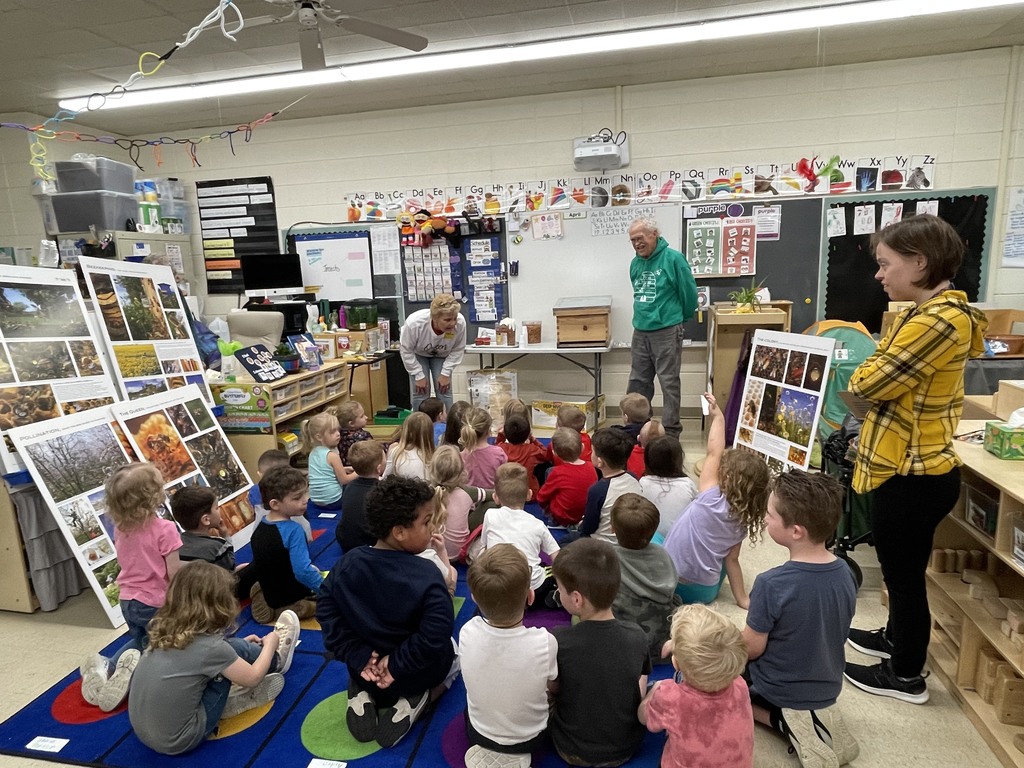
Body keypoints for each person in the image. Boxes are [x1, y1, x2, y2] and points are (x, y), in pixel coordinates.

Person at [843, 214, 988, 704]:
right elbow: (880, 371)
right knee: (899, 570)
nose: (879, 274)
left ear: (920, 262)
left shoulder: (937, 321)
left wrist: (872, 370)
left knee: (903, 578)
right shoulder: (923, 314)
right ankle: (895, 638)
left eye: (886, 264)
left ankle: (905, 675)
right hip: (907, 466)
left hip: (913, 473)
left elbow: (866, 381)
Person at [317, 476, 458, 748]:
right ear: (399, 532)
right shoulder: (427, 573)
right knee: (455, 654)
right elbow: (437, 633)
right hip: (415, 675)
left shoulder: (348, 563)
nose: (431, 528)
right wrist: (396, 663)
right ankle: (418, 698)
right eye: (426, 522)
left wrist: (354, 652)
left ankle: (362, 691)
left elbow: (326, 607)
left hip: (365, 670)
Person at [743, 470, 859, 767]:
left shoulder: (771, 584)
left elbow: (752, 649)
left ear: (796, 531)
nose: (765, 519)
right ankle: (818, 715)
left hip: (777, 688)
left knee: (712, 679)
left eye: (769, 514)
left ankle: (781, 720)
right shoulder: (846, 574)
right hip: (828, 684)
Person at [127, 562, 300, 755]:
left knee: (228, 650)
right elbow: (253, 677)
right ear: (219, 605)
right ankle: (277, 660)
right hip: (182, 738)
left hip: (144, 732)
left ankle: (248, 662)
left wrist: (230, 651)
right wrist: (270, 644)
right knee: (227, 659)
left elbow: (195, 657)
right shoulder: (211, 648)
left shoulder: (162, 632)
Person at [80, 463, 182, 712]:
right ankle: (139, 683)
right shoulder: (165, 529)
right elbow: (175, 573)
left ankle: (108, 667)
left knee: (140, 640)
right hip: (155, 602)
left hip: (128, 600)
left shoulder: (121, 529)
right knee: (162, 647)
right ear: (153, 497)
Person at [549, 538, 651, 767]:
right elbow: (639, 678)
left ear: (576, 599)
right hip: (625, 748)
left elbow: (553, 688)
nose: (558, 593)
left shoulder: (559, 640)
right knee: (641, 675)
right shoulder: (637, 636)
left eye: (559, 589)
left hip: (570, 748)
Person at [664, 393, 768, 608]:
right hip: (704, 593)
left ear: (727, 477)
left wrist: (718, 417)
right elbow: (732, 561)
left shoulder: (709, 495)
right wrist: (743, 599)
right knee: (727, 556)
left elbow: (714, 451)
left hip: (668, 583)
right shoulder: (742, 521)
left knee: (658, 535)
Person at [460, 544, 558, 768]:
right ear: (530, 596)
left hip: (478, 733)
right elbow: (553, 686)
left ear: (474, 599)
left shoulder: (467, 631)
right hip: (532, 738)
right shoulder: (544, 642)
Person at [638, 604, 753, 768]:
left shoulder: (670, 698)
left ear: (676, 663)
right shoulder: (740, 684)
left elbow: (643, 717)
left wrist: (657, 688)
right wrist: (677, 646)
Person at [626, 215, 698, 438]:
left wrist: (677, 319)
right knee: (638, 381)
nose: (637, 244)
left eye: (640, 238)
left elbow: (689, 294)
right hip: (641, 330)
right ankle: (638, 428)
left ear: (654, 234)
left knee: (669, 382)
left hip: (667, 330)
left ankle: (671, 432)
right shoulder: (635, 263)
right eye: (632, 240)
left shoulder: (673, 259)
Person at [609, 493, 679, 663]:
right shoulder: (663, 554)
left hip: (627, 639)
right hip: (663, 635)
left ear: (612, 528)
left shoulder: (607, 556)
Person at [249, 467, 323, 624]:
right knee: (329, 600)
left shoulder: (260, 528)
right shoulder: (294, 530)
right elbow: (302, 571)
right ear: (275, 504)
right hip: (292, 596)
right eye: (297, 498)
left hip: (272, 590)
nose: (305, 500)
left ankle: (266, 599)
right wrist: (326, 589)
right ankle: (289, 609)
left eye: (305, 494)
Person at [481, 463, 560, 609]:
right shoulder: (537, 524)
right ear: (529, 495)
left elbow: (485, 548)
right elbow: (557, 555)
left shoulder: (490, 515)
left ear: (495, 497)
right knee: (548, 571)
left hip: (497, 588)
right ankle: (553, 594)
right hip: (532, 589)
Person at [399, 293, 467, 411]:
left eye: (454, 318)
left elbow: (458, 349)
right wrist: (418, 375)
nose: (452, 323)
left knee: (444, 391)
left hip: (442, 355)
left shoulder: (460, 323)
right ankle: (419, 421)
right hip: (418, 353)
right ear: (434, 318)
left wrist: (445, 373)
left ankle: (447, 421)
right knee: (420, 391)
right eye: (447, 320)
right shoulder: (415, 323)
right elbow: (406, 350)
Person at [429, 445, 492, 561]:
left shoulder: (425, 492)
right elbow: (495, 495)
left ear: (432, 469)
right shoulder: (468, 492)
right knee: (490, 504)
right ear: (461, 472)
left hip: (432, 553)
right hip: (458, 554)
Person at [580, 428, 642, 543]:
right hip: (629, 538)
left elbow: (589, 527)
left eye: (592, 451)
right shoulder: (633, 477)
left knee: (566, 540)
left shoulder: (598, 490)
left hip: (603, 543)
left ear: (600, 462)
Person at [640, 434, 698, 544]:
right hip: (679, 542)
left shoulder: (643, 483)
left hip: (649, 542)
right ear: (679, 460)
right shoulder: (688, 484)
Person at [249, 449, 313, 543]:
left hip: (262, 533)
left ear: (259, 473)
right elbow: (305, 528)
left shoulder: (254, 490)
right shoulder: (289, 490)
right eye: (297, 498)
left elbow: (254, 512)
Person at [536, 427, 596, 528]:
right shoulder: (591, 466)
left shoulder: (557, 472)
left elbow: (541, 498)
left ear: (554, 453)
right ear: (582, 447)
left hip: (563, 517)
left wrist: (545, 507)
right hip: (586, 513)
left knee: (549, 472)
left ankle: (553, 521)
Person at [336, 440, 386, 553]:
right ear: (379, 468)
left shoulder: (349, 486)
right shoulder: (382, 491)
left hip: (346, 541)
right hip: (369, 544)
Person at [172, 486, 235, 572]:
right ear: (206, 519)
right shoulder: (217, 547)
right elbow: (231, 571)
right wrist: (225, 536)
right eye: (216, 508)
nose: (219, 509)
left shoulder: (176, 546)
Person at [302, 411, 356, 511]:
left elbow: (324, 471)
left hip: (315, 500)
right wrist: (359, 472)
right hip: (334, 501)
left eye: (338, 430)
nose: (338, 434)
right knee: (355, 485)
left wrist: (344, 469)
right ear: (319, 437)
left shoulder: (313, 453)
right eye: (332, 432)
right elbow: (344, 480)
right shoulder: (332, 455)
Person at [497, 414, 546, 497]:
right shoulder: (532, 449)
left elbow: (495, 448)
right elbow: (546, 454)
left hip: (505, 492)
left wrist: (500, 436)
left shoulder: (501, 448)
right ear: (528, 434)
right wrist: (534, 440)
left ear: (505, 433)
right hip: (528, 492)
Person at [460, 406, 507, 489]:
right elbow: (505, 479)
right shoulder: (498, 453)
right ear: (489, 431)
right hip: (493, 495)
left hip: (469, 496)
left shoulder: (460, 457)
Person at [382, 412, 434, 480]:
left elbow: (385, 478)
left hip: (400, 486)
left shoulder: (396, 452)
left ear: (406, 430)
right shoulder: (434, 456)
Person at [325, 401, 373, 467]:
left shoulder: (338, 434)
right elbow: (374, 451)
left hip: (345, 466)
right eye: (362, 416)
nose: (366, 417)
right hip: (364, 467)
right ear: (351, 423)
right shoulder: (363, 436)